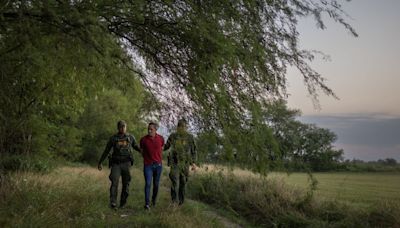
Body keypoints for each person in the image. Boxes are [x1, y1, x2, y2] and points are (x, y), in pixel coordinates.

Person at [98, 120, 140, 209]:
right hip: (116, 164)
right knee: (114, 182)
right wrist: (100, 162)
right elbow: (107, 150)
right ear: (118, 128)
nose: (123, 128)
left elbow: (136, 146)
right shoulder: (113, 138)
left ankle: (123, 203)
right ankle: (113, 202)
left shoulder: (130, 137)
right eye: (121, 126)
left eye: (124, 126)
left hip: (126, 163)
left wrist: (145, 152)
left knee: (126, 183)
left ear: (126, 127)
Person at [164, 118, 197, 205]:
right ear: (177, 127)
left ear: (186, 127)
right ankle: (174, 201)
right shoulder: (173, 136)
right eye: (179, 126)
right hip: (175, 163)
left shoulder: (190, 137)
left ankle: (181, 202)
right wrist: (157, 148)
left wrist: (193, 163)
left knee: (183, 183)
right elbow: (166, 146)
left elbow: (194, 150)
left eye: (183, 126)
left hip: (185, 164)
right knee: (175, 181)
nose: (181, 128)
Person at [139, 122, 165, 210]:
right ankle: (147, 204)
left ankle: (153, 201)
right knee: (148, 183)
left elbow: (162, 148)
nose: (149, 131)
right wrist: (147, 159)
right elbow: (141, 151)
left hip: (158, 166)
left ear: (155, 130)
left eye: (151, 129)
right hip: (148, 165)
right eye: (148, 129)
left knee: (156, 185)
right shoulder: (143, 140)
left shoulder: (161, 139)